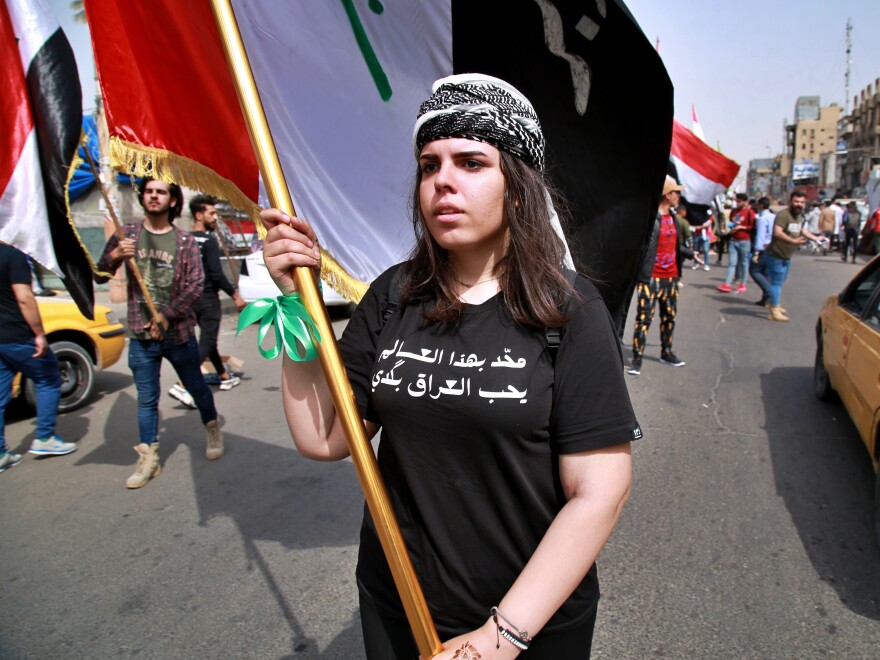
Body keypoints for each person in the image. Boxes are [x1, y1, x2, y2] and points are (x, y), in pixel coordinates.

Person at [260, 74, 638, 659]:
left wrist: (500, 637)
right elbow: (326, 437)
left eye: (471, 162)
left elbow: (598, 493)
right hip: (400, 603)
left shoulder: (570, 310)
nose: (443, 182)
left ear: (517, 185)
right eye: (429, 165)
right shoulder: (393, 295)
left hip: (529, 624)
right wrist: (295, 308)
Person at [96, 178, 224, 489]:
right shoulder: (127, 235)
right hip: (141, 336)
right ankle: (149, 457)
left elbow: (195, 286)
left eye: (161, 192)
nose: (154, 197)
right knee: (146, 398)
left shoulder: (184, 242)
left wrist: (167, 314)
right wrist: (114, 258)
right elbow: (99, 274)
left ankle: (211, 427)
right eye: (149, 192)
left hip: (178, 334)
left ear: (172, 200)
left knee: (197, 386)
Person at [0, 242, 77, 472]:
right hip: (17, 335)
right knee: (49, 378)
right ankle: (45, 438)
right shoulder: (13, 256)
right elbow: (24, 298)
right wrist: (40, 334)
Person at [168, 194, 246, 408]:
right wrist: (235, 295)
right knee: (209, 339)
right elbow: (216, 273)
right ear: (199, 215)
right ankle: (183, 383)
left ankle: (223, 375)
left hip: (189, 298)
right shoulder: (209, 241)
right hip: (208, 297)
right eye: (212, 213)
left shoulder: (182, 239)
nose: (215, 218)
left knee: (207, 339)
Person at [628, 175, 693, 376]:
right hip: (651, 278)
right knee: (644, 319)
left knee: (669, 317)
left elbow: (673, 245)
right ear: (668, 194)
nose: (679, 197)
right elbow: (641, 246)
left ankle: (667, 352)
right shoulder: (651, 219)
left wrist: (690, 253)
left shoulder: (673, 217)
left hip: (671, 278)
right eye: (677, 193)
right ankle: (637, 358)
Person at [764, 189, 821, 322]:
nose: (799, 204)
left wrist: (816, 238)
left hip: (786, 255)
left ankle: (773, 302)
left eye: (801, 202)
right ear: (790, 201)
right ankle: (774, 310)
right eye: (796, 201)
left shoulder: (799, 216)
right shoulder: (783, 215)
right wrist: (794, 241)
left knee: (780, 281)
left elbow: (802, 230)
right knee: (776, 283)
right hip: (776, 254)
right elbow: (777, 232)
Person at [716, 193, 754, 294]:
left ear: (745, 202)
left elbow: (752, 226)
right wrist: (732, 225)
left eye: (739, 201)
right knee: (732, 263)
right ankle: (727, 284)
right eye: (736, 201)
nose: (737, 203)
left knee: (744, 262)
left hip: (744, 240)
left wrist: (742, 227)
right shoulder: (734, 211)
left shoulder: (749, 212)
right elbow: (731, 222)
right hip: (733, 239)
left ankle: (743, 283)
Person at [749, 197, 775, 307]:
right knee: (766, 273)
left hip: (764, 248)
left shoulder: (762, 218)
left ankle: (770, 293)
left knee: (754, 271)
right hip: (773, 247)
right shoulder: (774, 217)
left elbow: (760, 236)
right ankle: (765, 298)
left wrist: (756, 252)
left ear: (761, 206)